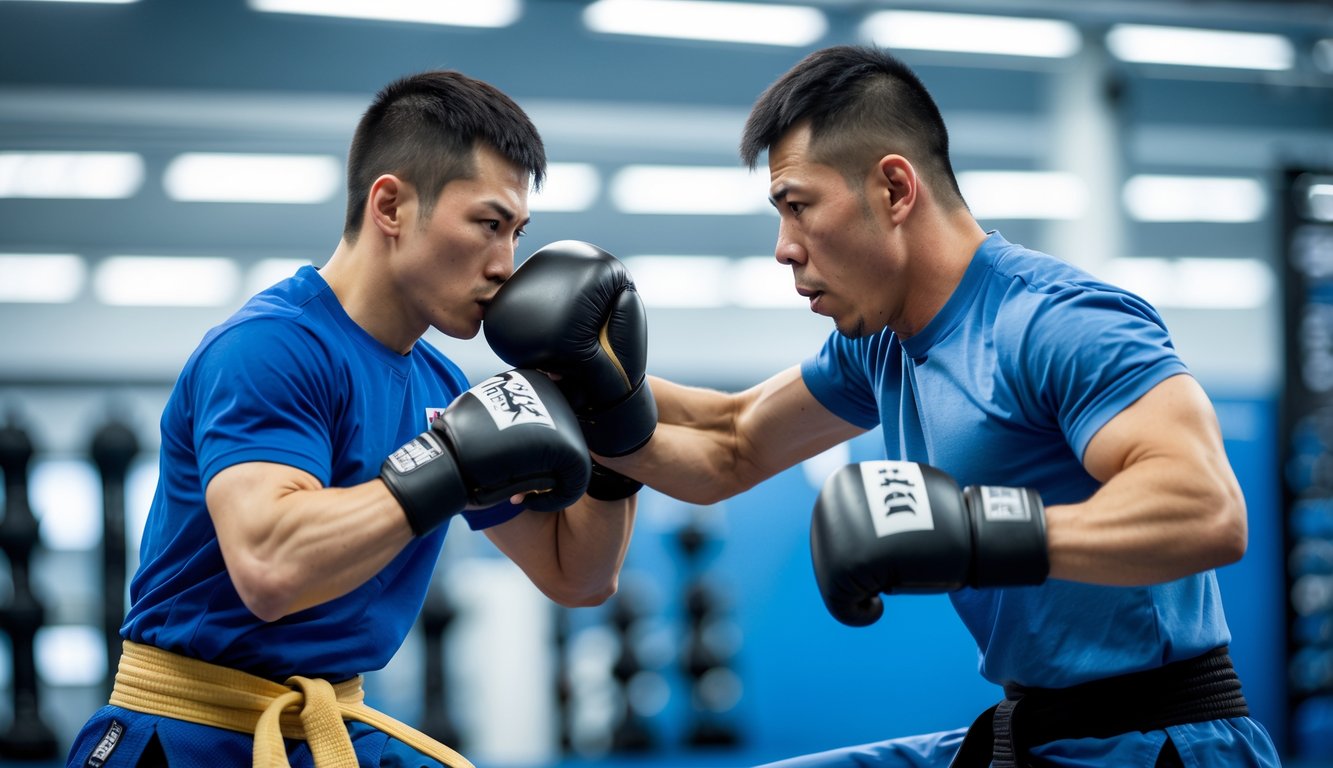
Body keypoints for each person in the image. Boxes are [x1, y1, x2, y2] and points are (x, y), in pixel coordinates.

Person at [482, 46, 1281, 767]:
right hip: (1034, 731)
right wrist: (588, 384)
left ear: (893, 188)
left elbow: (1206, 511)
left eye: (797, 205)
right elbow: (730, 443)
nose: (783, 247)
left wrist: (971, 530)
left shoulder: (1055, 321)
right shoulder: (882, 343)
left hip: (1161, 742)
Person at [64, 69, 652, 768]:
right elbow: (270, 567)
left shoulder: (440, 384)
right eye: (488, 225)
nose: (506, 265)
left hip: (327, 731)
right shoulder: (271, 347)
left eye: (518, 233)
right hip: (189, 736)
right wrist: (449, 465)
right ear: (391, 205)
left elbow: (575, 577)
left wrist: (614, 426)